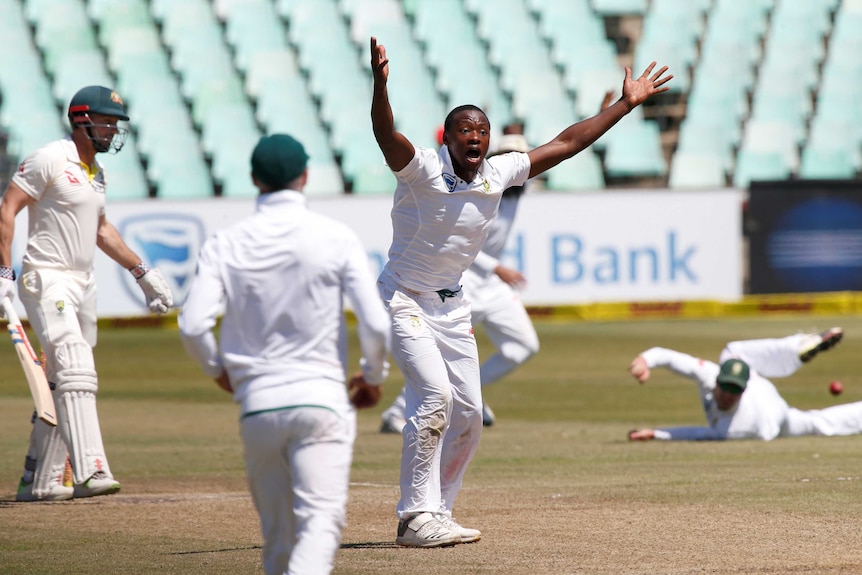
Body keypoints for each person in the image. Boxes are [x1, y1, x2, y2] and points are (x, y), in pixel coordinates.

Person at [369, 35, 672, 547]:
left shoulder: (499, 172)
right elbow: (385, 133)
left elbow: (569, 142)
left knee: (468, 417)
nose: (476, 138)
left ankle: (438, 512)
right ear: (449, 137)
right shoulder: (422, 168)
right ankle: (413, 517)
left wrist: (624, 104)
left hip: (452, 302)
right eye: (466, 130)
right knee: (435, 399)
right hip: (405, 298)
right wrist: (379, 87)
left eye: (483, 131)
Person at [178, 133, 391, 575]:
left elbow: (193, 323)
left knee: (278, 537)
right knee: (320, 524)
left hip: (257, 404)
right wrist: (373, 376)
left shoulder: (226, 241)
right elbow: (374, 320)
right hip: (321, 399)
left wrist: (218, 370)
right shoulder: (335, 236)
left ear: (254, 179)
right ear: (306, 176)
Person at [0, 85, 174, 502]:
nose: (113, 130)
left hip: (83, 282)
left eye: (116, 124)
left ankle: (39, 481)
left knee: (63, 379)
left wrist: (142, 271)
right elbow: (7, 208)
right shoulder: (49, 158)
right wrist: (5, 271)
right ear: (81, 120)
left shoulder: (97, 174)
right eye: (106, 122)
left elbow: (100, 230)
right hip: (47, 277)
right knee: (75, 366)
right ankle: (91, 469)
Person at [380, 128, 539, 432]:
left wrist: (601, 113)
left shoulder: (516, 183)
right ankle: (397, 412)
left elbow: (562, 149)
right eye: (506, 154)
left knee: (524, 345)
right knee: (437, 360)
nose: (511, 159)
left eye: (516, 154)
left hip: (493, 287)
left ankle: (470, 396)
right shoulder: (475, 187)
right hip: (461, 282)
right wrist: (496, 267)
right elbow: (458, 242)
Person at [626, 327, 862, 441]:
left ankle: (795, 348)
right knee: (816, 423)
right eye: (726, 386)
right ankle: (795, 347)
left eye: (735, 390)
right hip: (760, 386)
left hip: (770, 420)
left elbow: (698, 433)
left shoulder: (737, 428)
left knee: (815, 423)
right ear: (717, 380)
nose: (728, 395)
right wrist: (645, 360)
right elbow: (670, 358)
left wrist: (658, 434)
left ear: (742, 389)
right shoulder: (710, 373)